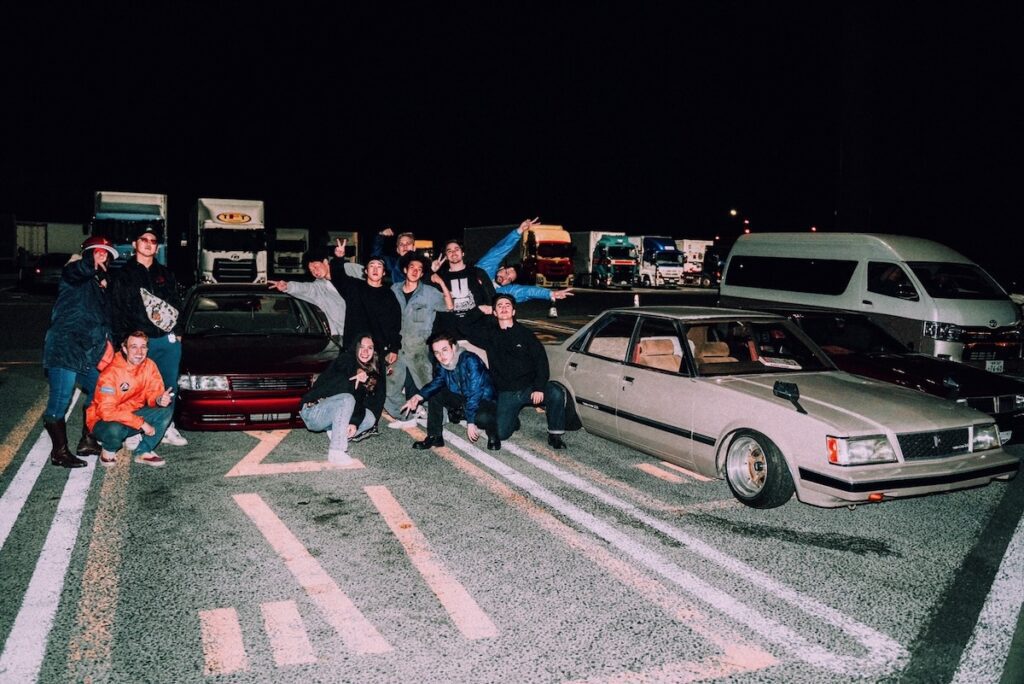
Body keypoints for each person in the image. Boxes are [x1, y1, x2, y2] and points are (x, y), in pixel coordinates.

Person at [108, 225, 189, 448]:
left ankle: (167, 427)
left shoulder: (165, 274)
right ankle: (134, 429)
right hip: (137, 342)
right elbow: (116, 310)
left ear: (157, 246)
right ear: (135, 244)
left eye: (153, 241)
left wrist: (178, 333)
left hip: (166, 340)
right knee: (135, 387)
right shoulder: (123, 275)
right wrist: (122, 342)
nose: (148, 243)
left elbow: (176, 304)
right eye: (143, 239)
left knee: (167, 385)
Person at [41, 236, 118, 468]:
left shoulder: (97, 285)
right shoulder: (74, 273)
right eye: (98, 251)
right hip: (65, 349)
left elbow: (101, 322)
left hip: (87, 354)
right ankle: (59, 452)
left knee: (100, 391)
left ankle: (87, 440)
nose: (102, 255)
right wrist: (88, 265)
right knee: (60, 402)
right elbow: (77, 270)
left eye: (107, 253)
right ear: (87, 253)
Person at [458, 293, 568, 449]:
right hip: (507, 392)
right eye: (499, 306)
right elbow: (462, 327)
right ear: (494, 312)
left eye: (507, 305)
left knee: (556, 392)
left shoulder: (526, 334)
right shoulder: (490, 335)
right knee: (502, 433)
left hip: (529, 388)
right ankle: (513, 419)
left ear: (514, 311)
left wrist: (539, 387)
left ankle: (555, 435)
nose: (504, 308)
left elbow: (541, 362)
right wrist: (480, 310)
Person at [86, 330, 175, 468]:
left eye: (143, 347)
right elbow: (106, 411)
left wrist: (159, 399)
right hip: (104, 420)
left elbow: (154, 393)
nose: (139, 352)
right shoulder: (111, 372)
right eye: (134, 347)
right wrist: (140, 423)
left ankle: (143, 451)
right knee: (115, 430)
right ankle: (108, 449)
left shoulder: (149, 365)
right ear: (124, 349)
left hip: (132, 414)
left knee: (166, 411)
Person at [384, 253, 454, 427]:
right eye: (412, 268)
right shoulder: (394, 289)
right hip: (397, 349)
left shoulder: (429, 293)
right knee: (390, 388)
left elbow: (449, 306)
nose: (415, 271)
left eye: (419, 269)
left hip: (419, 350)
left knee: (428, 386)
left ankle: (440, 418)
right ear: (405, 270)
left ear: (423, 274)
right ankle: (407, 418)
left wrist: (442, 284)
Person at [399, 330, 500, 450]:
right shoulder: (442, 363)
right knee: (435, 393)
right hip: (462, 396)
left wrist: (471, 422)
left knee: (482, 418)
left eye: (444, 350)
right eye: (437, 353)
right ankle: (435, 437)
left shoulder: (470, 360)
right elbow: (437, 383)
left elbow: (475, 392)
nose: (441, 356)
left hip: (483, 399)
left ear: (453, 347)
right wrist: (418, 397)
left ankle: (493, 432)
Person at [299, 334, 383, 464]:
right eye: (362, 347)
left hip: (332, 413)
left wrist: (354, 422)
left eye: (370, 348)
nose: (365, 352)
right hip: (313, 411)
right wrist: (358, 371)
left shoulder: (369, 374)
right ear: (356, 348)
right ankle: (336, 452)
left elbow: (360, 401)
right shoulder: (345, 360)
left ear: (374, 352)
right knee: (347, 399)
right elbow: (347, 365)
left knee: (369, 418)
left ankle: (335, 431)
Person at [475, 217, 574, 317]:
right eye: (506, 272)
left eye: (509, 279)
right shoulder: (486, 268)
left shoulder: (502, 293)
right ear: (501, 268)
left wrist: (549, 294)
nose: (505, 277)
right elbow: (500, 250)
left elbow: (526, 291)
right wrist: (518, 232)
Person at [329, 239, 402, 362]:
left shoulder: (389, 294)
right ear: (366, 271)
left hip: (378, 350)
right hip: (353, 348)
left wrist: (394, 348)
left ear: (383, 273)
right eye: (371, 266)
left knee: (375, 381)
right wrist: (338, 258)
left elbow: (395, 324)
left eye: (379, 267)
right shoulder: (354, 287)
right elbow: (338, 276)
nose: (375, 269)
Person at [268, 245, 347, 343]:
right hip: (342, 337)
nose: (315, 272)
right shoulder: (319, 288)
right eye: (311, 270)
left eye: (316, 266)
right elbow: (305, 289)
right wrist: (287, 286)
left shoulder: (349, 273)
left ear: (325, 262)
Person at [429, 238, 496, 335]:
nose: (453, 253)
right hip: (451, 329)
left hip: (478, 326)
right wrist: (432, 271)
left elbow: (492, 297)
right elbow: (425, 292)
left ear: (463, 253)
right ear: (446, 256)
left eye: (457, 249)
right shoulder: (441, 277)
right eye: (449, 251)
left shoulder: (477, 272)